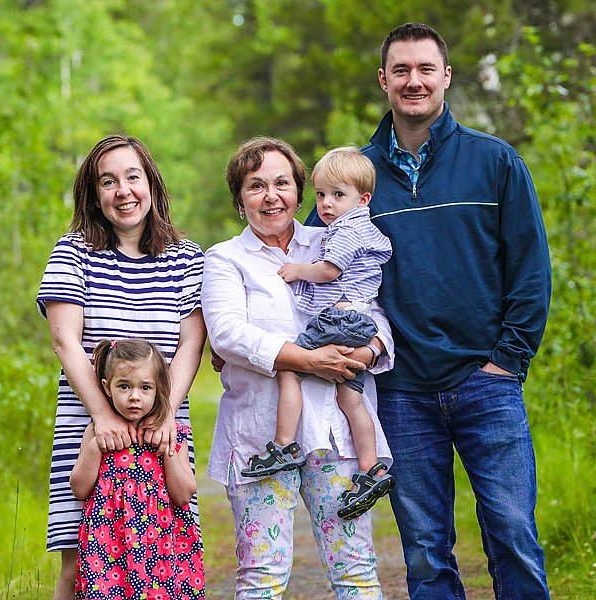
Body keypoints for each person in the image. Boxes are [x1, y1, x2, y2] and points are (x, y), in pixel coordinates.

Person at [305, 22, 553, 600]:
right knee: (424, 552)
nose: (412, 81)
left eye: (424, 69)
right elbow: (301, 261)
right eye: (400, 70)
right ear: (384, 80)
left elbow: (531, 270)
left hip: (486, 382)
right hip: (398, 391)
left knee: (513, 535)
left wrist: (508, 360)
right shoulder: (350, 178)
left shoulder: (494, 163)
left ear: (445, 76)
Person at [201, 136, 394, 599]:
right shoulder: (226, 259)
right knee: (263, 575)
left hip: (334, 434)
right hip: (262, 435)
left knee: (355, 568)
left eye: (282, 183)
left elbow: (373, 310)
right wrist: (309, 360)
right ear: (239, 198)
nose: (271, 196)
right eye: (256, 185)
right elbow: (228, 334)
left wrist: (367, 352)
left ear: (300, 191)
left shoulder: (334, 240)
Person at [37, 135, 207, 600]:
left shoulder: (186, 257)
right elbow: (64, 340)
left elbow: (192, 342)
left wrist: (165, 413)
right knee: (81, 568)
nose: (123, 191)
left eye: (132, 176)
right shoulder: (73, 251)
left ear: (150, 183)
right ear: (94, 195)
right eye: (107, 182)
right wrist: (103, 415)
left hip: (163, 424)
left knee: (164, 562)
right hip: (89, 423)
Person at [244, 146, 395, 521]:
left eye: (337, 195)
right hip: (358, 323)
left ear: (363, 199)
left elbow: (328, 272)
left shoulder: (345, 231)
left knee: (290, 368)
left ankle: (283, 444)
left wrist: (297, 270)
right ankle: (370, 468)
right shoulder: (362, 227)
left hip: (339, 321)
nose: (326, 204)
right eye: (322, 194)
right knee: (352, 401)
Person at [71, 339, 203, 599]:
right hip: (109, 543)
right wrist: (97, 446)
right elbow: (79, 487)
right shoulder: (98, 433)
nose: (134, 396)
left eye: (145, 387)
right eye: (124, 386)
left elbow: (184, 494)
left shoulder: (172, 434)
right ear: (107, 388)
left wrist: (168, 451)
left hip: (162, 543)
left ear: (159, 388)